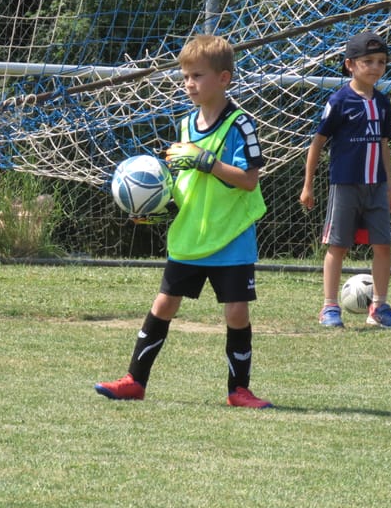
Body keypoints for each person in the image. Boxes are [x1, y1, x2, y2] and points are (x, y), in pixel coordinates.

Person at [94, 34, 273, 409]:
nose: (189, 83)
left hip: (232, 236)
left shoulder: (241, 126)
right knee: (163, 305)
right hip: (192, 234)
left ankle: (238, 390)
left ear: (223, 79)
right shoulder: (187, 124)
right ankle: (134, 380)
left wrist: (204, 160)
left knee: (236, 312)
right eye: (185, 76)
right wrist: (159, 206)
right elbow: (186, 184)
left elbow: (248, 179)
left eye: (197, 76)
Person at [299, 31, 391, 329]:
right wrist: (308, 185)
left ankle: (379, 308)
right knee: (338, 246)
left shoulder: (383, 103)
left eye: (381, 62)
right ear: (350, 65)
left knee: (383, 245)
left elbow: (384, 144)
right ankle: (329, 307)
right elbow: (318, 143)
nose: (375, 67)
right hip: (345, 185)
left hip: (378, 187)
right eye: (368, 61)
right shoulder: (339, 100)